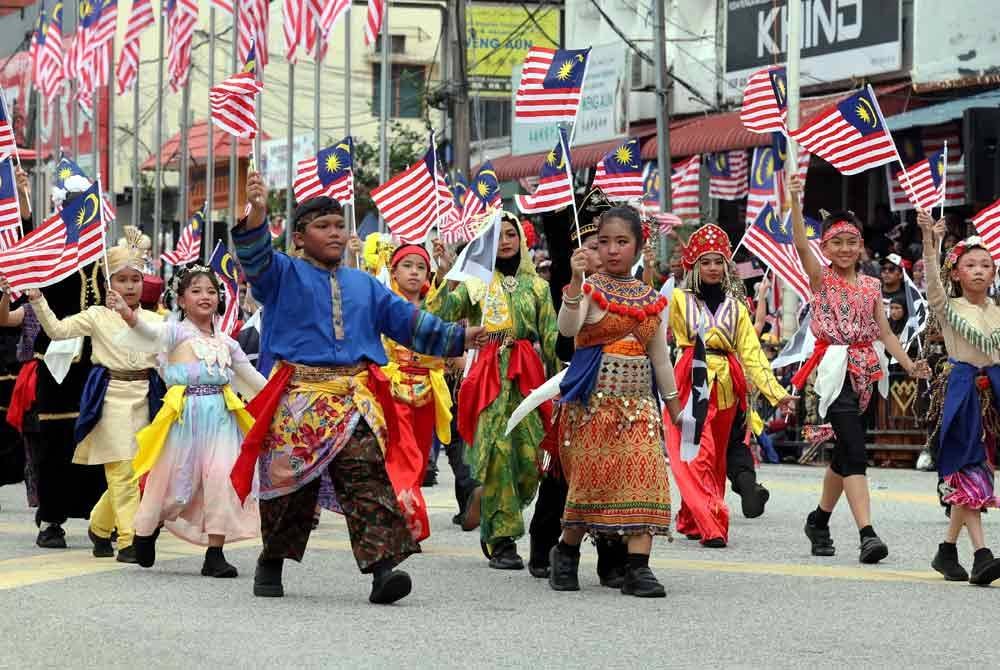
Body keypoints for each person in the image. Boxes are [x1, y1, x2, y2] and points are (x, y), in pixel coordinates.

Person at [229, 173, 486, 603]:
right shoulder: (281, 275)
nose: (334, 233)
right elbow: (254, 259)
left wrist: (459, 338)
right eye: (322, 226)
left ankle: (383, 572)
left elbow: (409, 323)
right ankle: (270, 561)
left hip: (353, 400)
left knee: (367, 482)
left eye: (339, 225)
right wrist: (256, 214)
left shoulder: (365, 285)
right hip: (299, 403)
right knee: (290, 492)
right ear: (298, 237)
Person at [787, 175, 929, 563]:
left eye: (851, 242)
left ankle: (818, 520)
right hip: (833, 370)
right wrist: (796, 202)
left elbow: (884, 332)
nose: (845, 249)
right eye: (836, 242)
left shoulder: (870, 286)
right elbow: (800, 244)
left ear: (861, 246)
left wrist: (909, 364)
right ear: (825, 247)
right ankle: (868, 534)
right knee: (854, 450)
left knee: (845, 453)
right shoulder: (821, 279)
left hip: (867, 371)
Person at [547, 206, 681, 597]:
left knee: (648, 478)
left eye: (622, 242)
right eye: (604, 242)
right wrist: (575, 279)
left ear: (638, 246)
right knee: (590, 487)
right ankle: (566, 551)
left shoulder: (652, 299)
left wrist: (675, 410)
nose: (612, 250)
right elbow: (567, 329)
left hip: (639, 409)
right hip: (593, 409)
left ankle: (638, 568)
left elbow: (659, 357)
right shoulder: (589, 289)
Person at [108, 265, 267, 577]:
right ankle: (147, 528)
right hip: (184, 417)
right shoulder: (173, 331)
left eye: (210, 291)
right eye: (196, 291)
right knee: (177, 487)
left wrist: (284, 391)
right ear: (181, 300)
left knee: (223, 481)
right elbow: (146, 332)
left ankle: (215, 553)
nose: (205, 297)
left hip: (222, 418)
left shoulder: (228, 343)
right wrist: (128, 313)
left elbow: (253, 380)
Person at [26, 228, 164, 562]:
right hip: (111, 399)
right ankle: (130, 541)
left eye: (135, 279)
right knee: (121, 471)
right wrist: (37, 300)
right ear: (108, 285)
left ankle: (100, 528)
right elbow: (57, 330)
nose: (129, 286)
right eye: (121, 279)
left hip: (146, 398)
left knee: (137, 470)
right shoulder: (97, 316)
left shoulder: (155, 319)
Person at [430, 212, 559, 570]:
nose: (505, 241)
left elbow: (550, 338)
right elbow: (439, 312)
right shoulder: (475, 282)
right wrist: (447, 275)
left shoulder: (538, 288)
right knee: (498, 454)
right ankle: (500, 539)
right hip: (489, 375)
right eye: (497, 235)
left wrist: (564, 379)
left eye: (510, 234)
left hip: (528, 375)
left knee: (533, 459)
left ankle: (489, 503)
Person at [664, 224, 796, 548]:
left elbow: (752, 355)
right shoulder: (679, 300)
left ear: (726, 266)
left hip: (726, 386)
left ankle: (692, 517)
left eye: (718, 261)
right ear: (694, 265)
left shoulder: (737, 308)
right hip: (691, 378)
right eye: (705, 261)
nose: (712, 267)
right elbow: (656, 328)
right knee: (699, 453)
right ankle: (713, 524)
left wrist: (777, 394)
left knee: (716, 459)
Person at [529, 188, 628, 586]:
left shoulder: (628, 287)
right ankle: (545, 548)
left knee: (613, 478)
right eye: (591, 244)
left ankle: (613, 559)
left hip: (621, 395)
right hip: (580, 392)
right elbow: (560, 342)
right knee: (562, 478)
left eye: (606, 244)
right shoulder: (570, 285)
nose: (599, 251)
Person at [918, 211, 1000, 585]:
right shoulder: (949, 308)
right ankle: (982, 555)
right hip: (963, 393)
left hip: (993, 397)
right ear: (956, 273)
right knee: (969, 468)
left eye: (986, 265)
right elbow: (931, 284)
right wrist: (930, 241)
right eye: (970, 265)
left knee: (976, 468)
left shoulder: (997, 312)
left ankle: (947, 550)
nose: (980, 271)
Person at [380, 243, 455, 542]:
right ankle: (409, 522)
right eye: (407, 266)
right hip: (393, 392)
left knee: (420, 460)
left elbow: (448, 315)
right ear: (393, 272)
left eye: (420, 267)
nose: (413, 272)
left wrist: (446, 270)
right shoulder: (384, 306)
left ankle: (398, 518)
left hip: (427, 392)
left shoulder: (432, 305)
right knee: (404, 457)